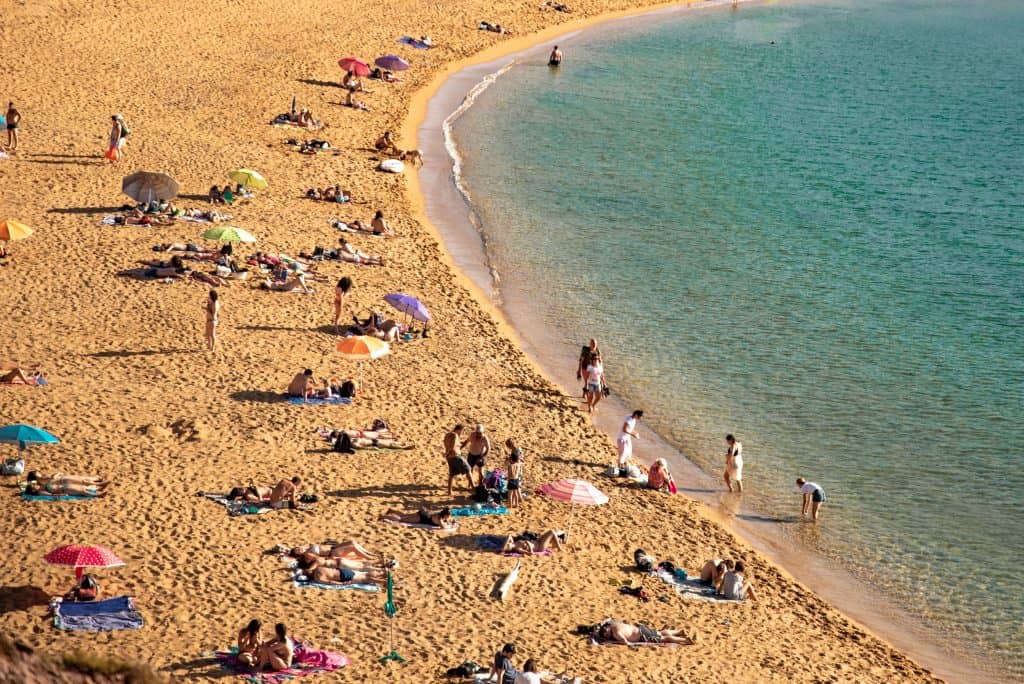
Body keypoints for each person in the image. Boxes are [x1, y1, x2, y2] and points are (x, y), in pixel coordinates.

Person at [593, 620, 697, 646]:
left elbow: (624, 642)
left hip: (642, 636)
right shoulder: (614, 624)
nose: (608, 637)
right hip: (641, 629)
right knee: (659, 632)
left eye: (607, 635)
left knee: (664, 638)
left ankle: (685, 640)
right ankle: (678, 631)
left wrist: (611, 642)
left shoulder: (616, 632)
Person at [24, 472, 108, 497]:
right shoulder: (40, 491)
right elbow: (52, 494)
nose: (34, 485)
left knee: (81, 486)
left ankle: (98, 488)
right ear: (33, 490)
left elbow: (25, 483)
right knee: (82, 490)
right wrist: (63, 494)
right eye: (33, 486)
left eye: (33, 484)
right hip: (64, 489)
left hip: (64, 485)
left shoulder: (40, 484)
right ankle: (98, 494)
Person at [444, 424, 472, 496]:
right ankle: (473, 487)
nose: (462, 433)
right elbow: (453, 447)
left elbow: (452, 446)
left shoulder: (447, 435)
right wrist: (449, 453)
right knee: (468, 469)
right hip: (456, 456)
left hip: (450, 457)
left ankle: (449, 491)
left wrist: (466, 441)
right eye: (462, 431)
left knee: (452, 473)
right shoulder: (455, 435)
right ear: (460, 429)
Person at [382, 507, 455, 529]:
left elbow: (447, 521)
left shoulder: (441, 515)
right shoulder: (439, 520)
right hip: (421, 518)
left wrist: (449, 522)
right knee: (401, 519)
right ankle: (384, 516)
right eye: (448, 516)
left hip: (423, 514)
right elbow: (444, 527)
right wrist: (450, 525)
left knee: (404, 515)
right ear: (445, 515)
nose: (449, 517)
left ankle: (392, 511)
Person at [501, 530, 565, 555]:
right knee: (551, 532)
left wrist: (503, 549)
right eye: (508, 545)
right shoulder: (518, 549)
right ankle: (559, 547)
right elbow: (530, 553)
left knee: (552, 536)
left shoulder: (514, 542)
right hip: (539, 546)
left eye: (507, 544)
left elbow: (509, 536)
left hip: (537, 541)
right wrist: (530, 547)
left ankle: (556, 543)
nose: (508, 543)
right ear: (510, 548)